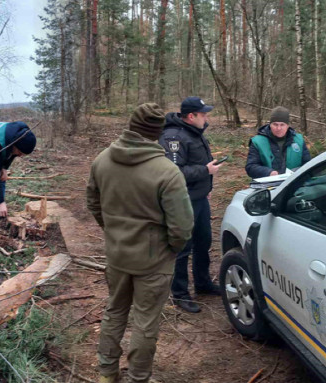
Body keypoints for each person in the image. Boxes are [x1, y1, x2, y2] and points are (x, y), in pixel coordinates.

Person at [87, 103, 194, 383]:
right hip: (154, 260)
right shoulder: (167, 171)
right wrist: (170, 249)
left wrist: (112, 232)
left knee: (114, 312)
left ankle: (107, 374)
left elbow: (93, 203)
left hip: (117, 254)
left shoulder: (102, 160)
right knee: (146, 321)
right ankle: (138, 378)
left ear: (131, 125)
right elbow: (181, 227)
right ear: (157, 133)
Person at [159, 96, 223, 314]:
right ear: (190, 116)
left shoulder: (196, 133)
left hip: (199, 198)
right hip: (181, 201)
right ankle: (180, 294)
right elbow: (174, 172)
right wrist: (206, 171)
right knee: (182, 248)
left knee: (203, 242)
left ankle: (203, 283)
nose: (206, 118)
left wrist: (207, 187)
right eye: (203, 114)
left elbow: (198, 163)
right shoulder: (173, 137)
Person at [246, 106, 311, 179]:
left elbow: (307, 165)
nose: (278, 128)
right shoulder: (257, 142)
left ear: (287, 125)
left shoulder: (298, 140)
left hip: (294, 184)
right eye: (275, 124)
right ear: (270, 125)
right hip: (267, 185)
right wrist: (268, 172)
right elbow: (250, 167)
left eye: (282, 125)